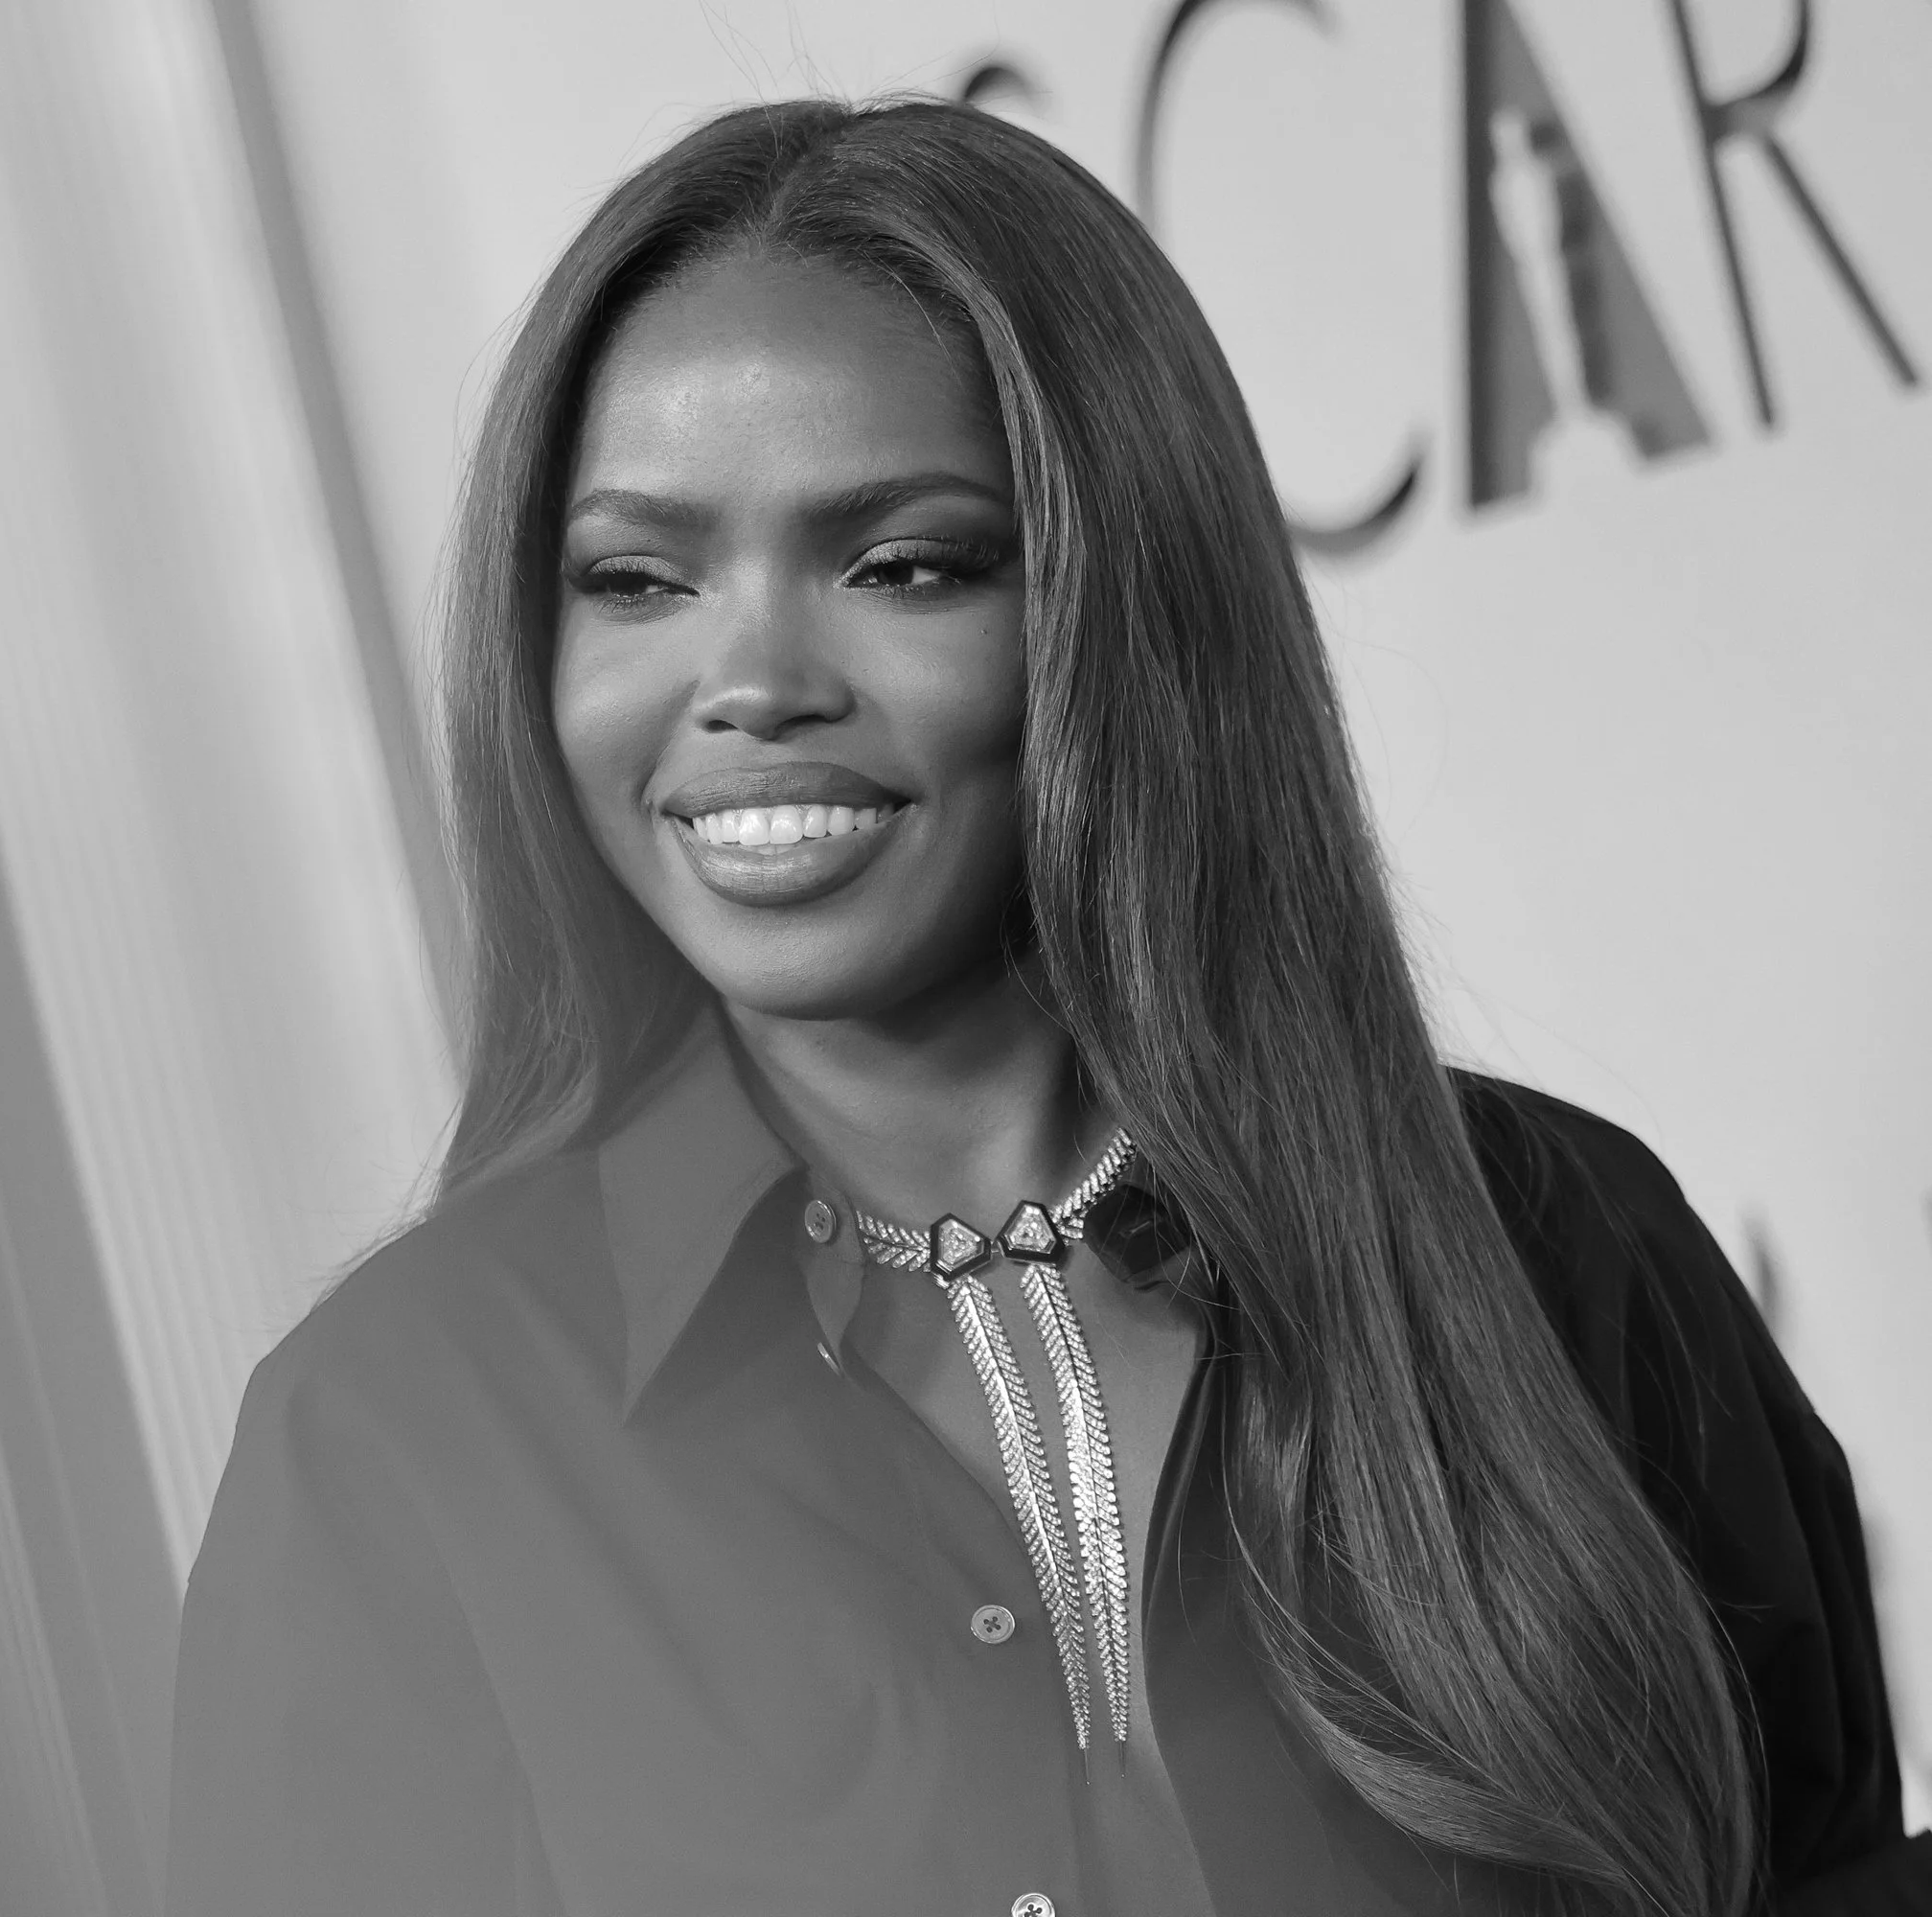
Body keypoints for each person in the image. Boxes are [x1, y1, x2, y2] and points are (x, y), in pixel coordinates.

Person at [165, 98, 1924, 1916]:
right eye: (637, 581)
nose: (751, 680)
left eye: (901, 565)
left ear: (1123, 604)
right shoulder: (394, 1438)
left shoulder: (1564, 1255)